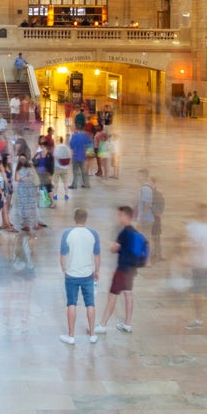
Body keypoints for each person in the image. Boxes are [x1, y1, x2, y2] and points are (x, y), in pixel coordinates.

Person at [96, 205, 143, 335]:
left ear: (125, 216)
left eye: (119, 215)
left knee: (112, 296)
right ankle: (127, 324)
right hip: (131, 269)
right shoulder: (134, 231)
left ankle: (102, 325)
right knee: (128, 294)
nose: (117, 217)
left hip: (122, 269)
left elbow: (114, 249)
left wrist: (109, 245)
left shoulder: (124, 233)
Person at [58, 207, 101, 346]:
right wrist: (97, 270)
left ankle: (71, 336)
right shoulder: (93, 234)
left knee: (71, 303)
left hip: (72, 274)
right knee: (90, 303)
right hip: (88, 273)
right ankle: (93, 334)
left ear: (74, 218)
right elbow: (97, 255)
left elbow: (63, 255)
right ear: (86, 219)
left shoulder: (67, 234)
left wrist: (64, 269)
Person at [182, 202, 207, 336]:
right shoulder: (192, 227)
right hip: (197, 266)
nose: (202, 214)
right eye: (200, 211)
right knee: (196, 294)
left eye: (205, 212)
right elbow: (186, 243)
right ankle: (198, 319)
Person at [13, 155, 40, 234]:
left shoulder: (29, 166)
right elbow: (17, 179)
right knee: (26, 206)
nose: (22, 160)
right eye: (21, 159)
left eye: (23, 159)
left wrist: (23, 178)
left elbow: (34, 176)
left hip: (29, 189)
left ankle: (33, 223)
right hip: (23, 190)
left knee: (30, 206)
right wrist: (25, 177)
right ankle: (28, 224)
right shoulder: (18, 168)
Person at [68, 124, 93, 189]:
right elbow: (90, 143)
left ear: (76, 129)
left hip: (76, 156)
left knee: (75, 171)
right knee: (83, 171)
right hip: (83, 156)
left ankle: (74, 185)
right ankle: (87, 184)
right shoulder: (85, 136)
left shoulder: (74, 136)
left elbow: (71, 145)